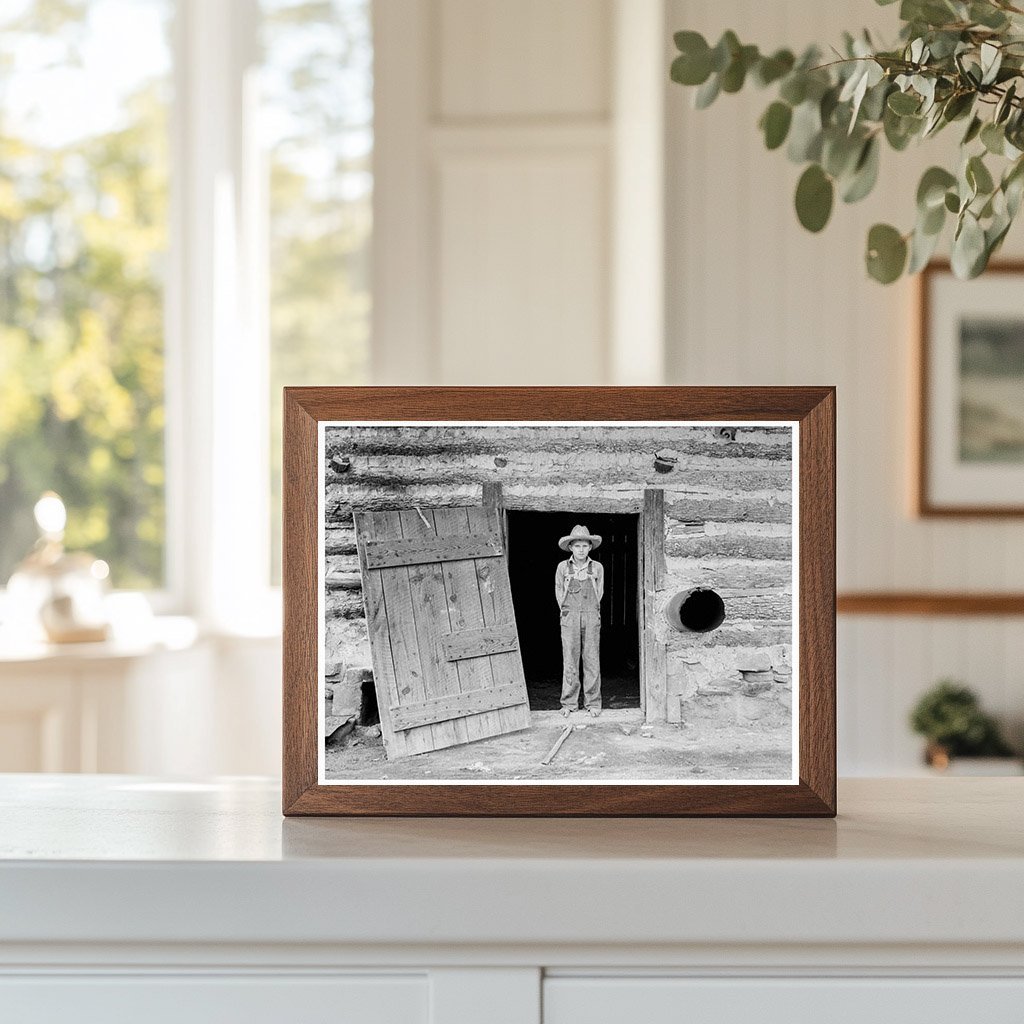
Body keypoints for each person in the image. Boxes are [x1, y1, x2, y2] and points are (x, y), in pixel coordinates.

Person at [554, 525, 604, 717]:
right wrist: (568, 612)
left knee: (591, 659)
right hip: (570, 616)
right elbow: (559, 591)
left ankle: (593, 703)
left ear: (590, 547)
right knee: (570, 659)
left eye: (585, 545)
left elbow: (599, 593)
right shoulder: (563, 567)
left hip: (591, 615)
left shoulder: (597, 567)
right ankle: (568, 703)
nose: (581, 549)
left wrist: (589, 612)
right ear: (571, 548)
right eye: (577, 546)